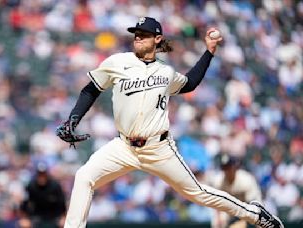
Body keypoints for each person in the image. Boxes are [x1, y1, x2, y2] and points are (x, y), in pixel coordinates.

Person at [56, 17, 284, 228]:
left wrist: (209, 52)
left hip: (158, 148)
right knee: (84, 177)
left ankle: (255, 215)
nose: (137, 37)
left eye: (143, 34)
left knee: (198, 193)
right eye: (136, 33)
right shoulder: (117, 62)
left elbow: (189, 83)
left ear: (157, 39)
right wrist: (74, 118)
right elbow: (90, 90)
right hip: (123, 146)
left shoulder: (165, 72)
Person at [208, 154, 263, 228]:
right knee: (217, 222)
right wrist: (218, 219)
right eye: (224, 168)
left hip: (249, 209)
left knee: (259, 221)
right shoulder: (219, 181)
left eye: (229, 167)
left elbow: (254, 205)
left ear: (235, 167)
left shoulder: (246, 180)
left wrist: (243, 221)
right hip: (230, 211)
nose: (227, 171)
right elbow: (216, 203)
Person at [21, 162, 66, 228]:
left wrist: (63, 217)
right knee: (24, 224)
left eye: (43, 174)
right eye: (40, 174)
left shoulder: (55, 186)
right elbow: (25, 203)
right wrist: (25, 218)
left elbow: (62, 203)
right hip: (36, 217)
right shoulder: (31, 186)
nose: (41, 177)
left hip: (54, 217)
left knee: (64, 224)